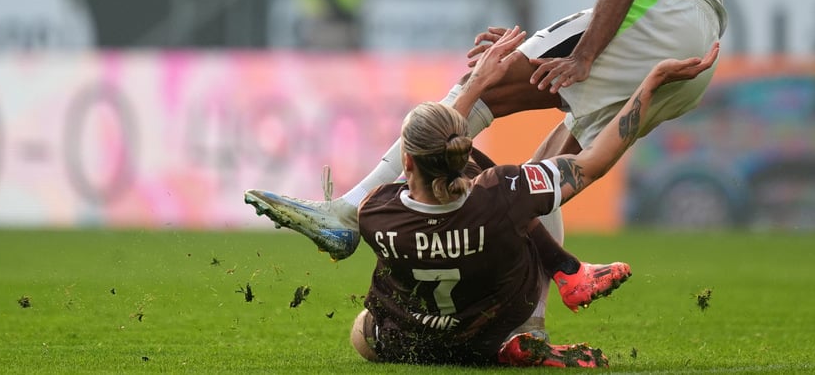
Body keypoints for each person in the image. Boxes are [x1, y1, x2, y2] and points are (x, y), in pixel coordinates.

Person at [248, 29, 720, 367]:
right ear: (462, 151)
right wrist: (649, 86)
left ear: (406, 162)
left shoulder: (376, 210)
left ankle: (557, 283)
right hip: (487, 336)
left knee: (361, 334)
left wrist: (475, 86)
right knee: (532, 201)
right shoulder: (505, 193)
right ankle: (534, 322)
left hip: (409, 341)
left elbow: (431, 148)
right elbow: (594, 161)